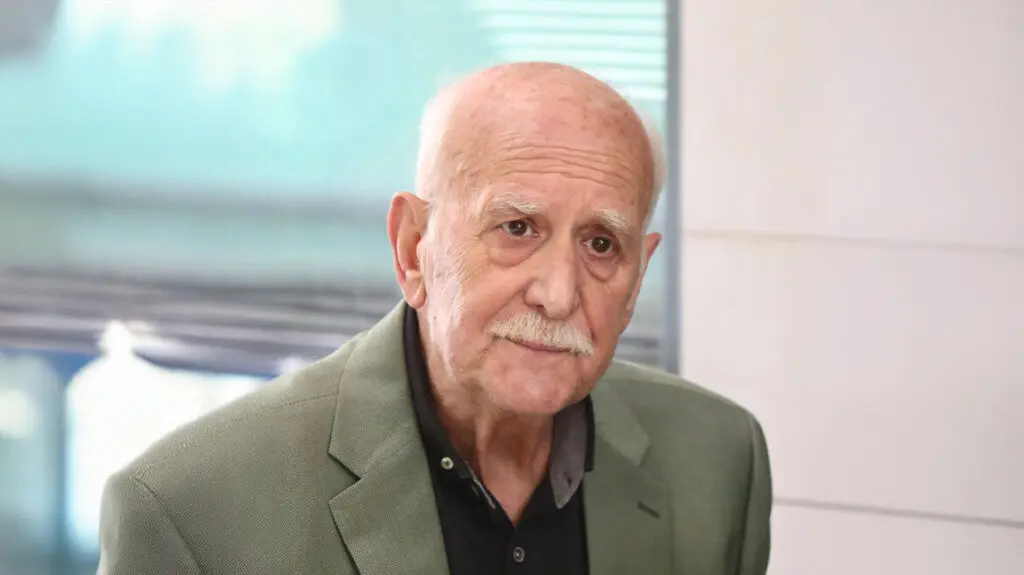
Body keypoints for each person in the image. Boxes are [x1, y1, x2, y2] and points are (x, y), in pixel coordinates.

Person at [97, 62, 772, 575]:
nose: (559, 294)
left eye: (601, 243)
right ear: (411, 248)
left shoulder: (716, 460)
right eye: (517, 228)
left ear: (637, 277)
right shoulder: (190, 511)